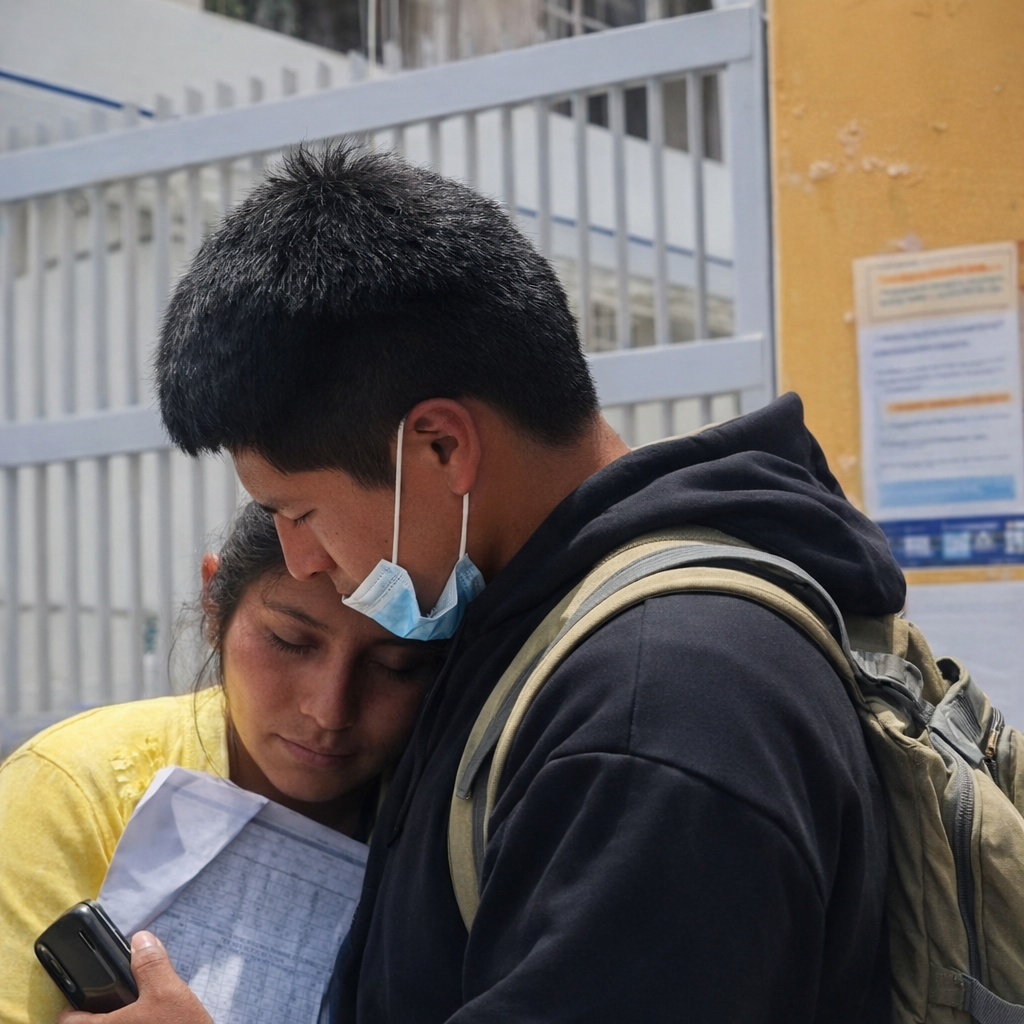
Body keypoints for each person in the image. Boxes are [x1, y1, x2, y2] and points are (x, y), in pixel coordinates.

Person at [74, 144, 902, 1024]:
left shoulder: (657, 704)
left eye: (301, 513)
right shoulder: (529, 638)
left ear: (441, 445)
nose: (304, 560)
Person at [0, 501, 440, 1024]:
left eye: (396, 665)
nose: (330, 709)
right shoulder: (72, 786)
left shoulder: (457, 815)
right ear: (214, 601)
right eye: (290, 641)